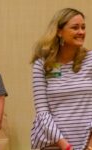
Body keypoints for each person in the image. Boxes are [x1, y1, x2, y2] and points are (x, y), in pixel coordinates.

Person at [30, 8, 92, 150]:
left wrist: (90, 145)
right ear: (59, 32)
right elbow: (42, 112)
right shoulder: (42, 64)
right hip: (54, 144)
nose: (81, 32)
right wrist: (65, 146)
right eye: (75, 28)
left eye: (83, 27)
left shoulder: (91, 60)